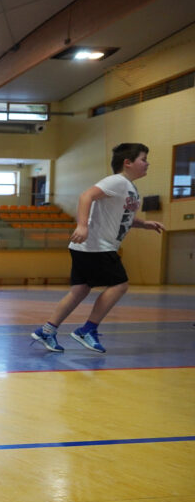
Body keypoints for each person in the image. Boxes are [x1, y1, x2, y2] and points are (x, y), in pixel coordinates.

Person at [32, 143, 162, 353]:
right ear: (127, 163)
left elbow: (122, 216)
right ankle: (87, 330)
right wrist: (82, 225)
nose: (147, 163)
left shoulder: (129, 187)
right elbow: (86, 196)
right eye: (143, 159)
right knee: (120, 285)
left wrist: (143, 224)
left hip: (89, 246)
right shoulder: (117, 181)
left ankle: (47, 330)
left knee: (80, 290)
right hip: (96, 245)